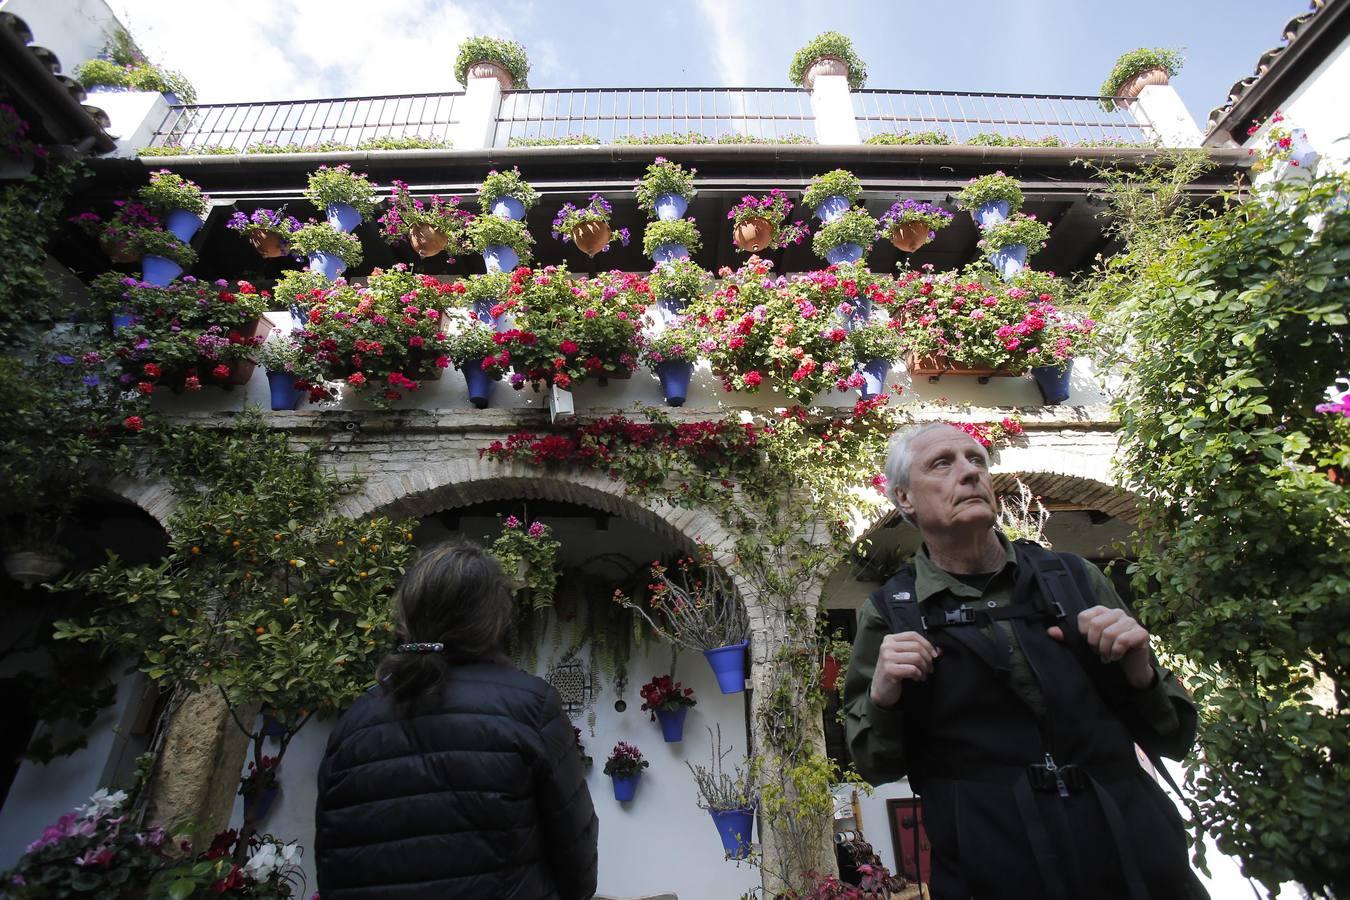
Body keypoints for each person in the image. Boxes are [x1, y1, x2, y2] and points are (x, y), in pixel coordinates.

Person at [843, 423, 1206, 900]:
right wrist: (885, 697)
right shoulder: (893, 611)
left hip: (1133, 858)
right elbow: (877, 765)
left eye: (976, 460)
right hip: (993, 867)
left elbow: (1174, 736)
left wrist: (1139, 673)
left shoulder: (1073, 579)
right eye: (942, 464)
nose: (970, 473)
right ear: (905, 499)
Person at [315, 540, 598, 900]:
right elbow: (577, 853)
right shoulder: (530, 708)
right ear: (493, 619)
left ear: (406, 613)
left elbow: (331, 858)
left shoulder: (355, 720)